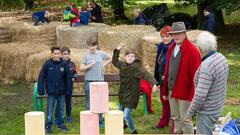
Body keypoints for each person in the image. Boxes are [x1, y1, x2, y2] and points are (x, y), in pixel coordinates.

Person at [161, 22, 201, 134]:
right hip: (171, 90)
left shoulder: (192, 50)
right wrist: (165, 90)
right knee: (175, 118)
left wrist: (194, 94)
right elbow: (167, 71)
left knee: (186, 119)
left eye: (179, 34)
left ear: (184, 34)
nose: (176, 36)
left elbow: (197, 75)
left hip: (185, 92)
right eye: (174, 34)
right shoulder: (171, 48)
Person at [187, 31, 229, 135]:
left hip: (207, 111)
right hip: (217, 106)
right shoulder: (221, 57)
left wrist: (189, 113)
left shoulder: (207, 65)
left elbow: (200, 95)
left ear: (200, 48)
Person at [112, 42, 158, 134]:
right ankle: (123, 125)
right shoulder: (122, 65)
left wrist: (154, 84)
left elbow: (147, 75)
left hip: (132, 95)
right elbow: (115, 61)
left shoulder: (137, 68)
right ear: (125, 57)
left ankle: (134, 131)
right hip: (122, 93)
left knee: (126, 115)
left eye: (132, 56)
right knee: (119, 113)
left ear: (135, 58)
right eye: (128, 56)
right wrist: (117, 50)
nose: (130, 58)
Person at [37, 46, 72, 133]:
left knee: (61, 109)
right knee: (49, 110)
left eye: (58, 53)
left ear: (60, 54)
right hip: (51, 92)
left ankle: (60, 124)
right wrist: (41, 89)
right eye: (55, 53)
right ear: (52, 54)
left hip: (61, 92)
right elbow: (41, 77)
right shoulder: (47, 64)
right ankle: (48, 126)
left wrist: (68, 90)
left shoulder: (64, 64)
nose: (57, 55)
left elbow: (68, 78)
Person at [80, 36, 112, 127]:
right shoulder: (85, 55)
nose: (92, 47)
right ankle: (89, 120)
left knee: (99, 100)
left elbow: (110, 58)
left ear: (96, 45)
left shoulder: (101, 53)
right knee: (89, 100)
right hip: (89, 80)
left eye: (94, 45)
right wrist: (89, 65)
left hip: (99, 80)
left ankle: (100, 120)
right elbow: (81, 68)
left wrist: (103, 65)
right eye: (90, 46)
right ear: (88, 46)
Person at [153, 25, 173, 128]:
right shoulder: (161, 47)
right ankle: (164, 121)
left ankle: (173, 123)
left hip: (171, 81)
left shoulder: (174, 48)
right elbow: (157, 64)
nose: (164, 38)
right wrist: (157, 80)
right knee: (164, 101)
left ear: (172, 36)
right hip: (162, 79)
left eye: (167, 36)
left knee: (172, 102)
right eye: (163, 36)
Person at [61, 47, 78, 123]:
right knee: (60, 103)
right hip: (60, 87)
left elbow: (75, 73)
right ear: (61, 55)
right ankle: (60, 116)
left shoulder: (72, 64)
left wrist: (74, 77)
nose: (66, 55)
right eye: (64, 54)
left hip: (69, 87)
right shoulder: (59, 64)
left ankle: (68, 116)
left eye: (67, 54)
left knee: (68, 102)